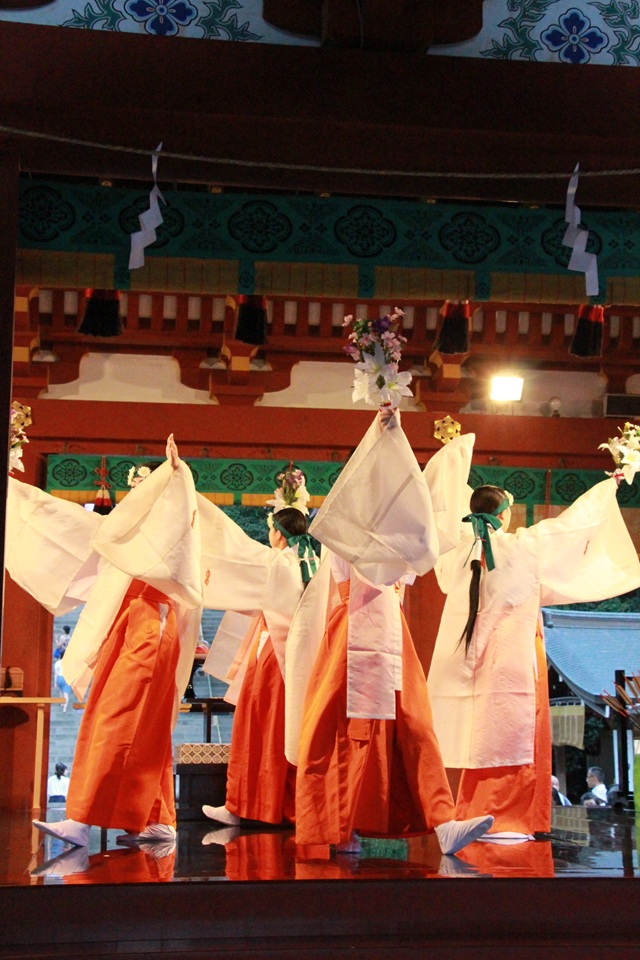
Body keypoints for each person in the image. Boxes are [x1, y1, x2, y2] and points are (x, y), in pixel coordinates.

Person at [293, 409, 493, 857]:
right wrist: (385, 434)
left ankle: (442, 822)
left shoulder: (393, 531)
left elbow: (423, 534)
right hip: (352, 630)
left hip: (389, 630)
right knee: (343, 729)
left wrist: (395, 432)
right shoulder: (342, 528)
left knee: (415, 724)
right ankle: (340, 825)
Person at [426, 441, 640, 840]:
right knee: (511, 733)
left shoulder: (456, 552)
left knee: (480, 735)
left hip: (469, 659)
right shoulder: (520, 546)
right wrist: (610, 484)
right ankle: (506, 819)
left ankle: (473, 810)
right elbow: (572, 528)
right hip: (510, 657)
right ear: (502, 516)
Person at [6, 434, 203, 847]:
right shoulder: (138, 535)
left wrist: (176, 472)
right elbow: (79, 529)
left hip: (150, 627)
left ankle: (82, 819)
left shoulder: (174, 533)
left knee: (120, 719)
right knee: (137, 724)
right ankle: (158, 817)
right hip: (133, 623)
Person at [200, 465, 318, 829]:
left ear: (279, 534)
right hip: (301, 657)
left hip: (272, 654)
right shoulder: (313, 562)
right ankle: (294, 806)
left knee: (256, 728)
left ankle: (244, 803)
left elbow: (238, 572)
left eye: (270, 530)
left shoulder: (278, 562)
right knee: (290, 728)